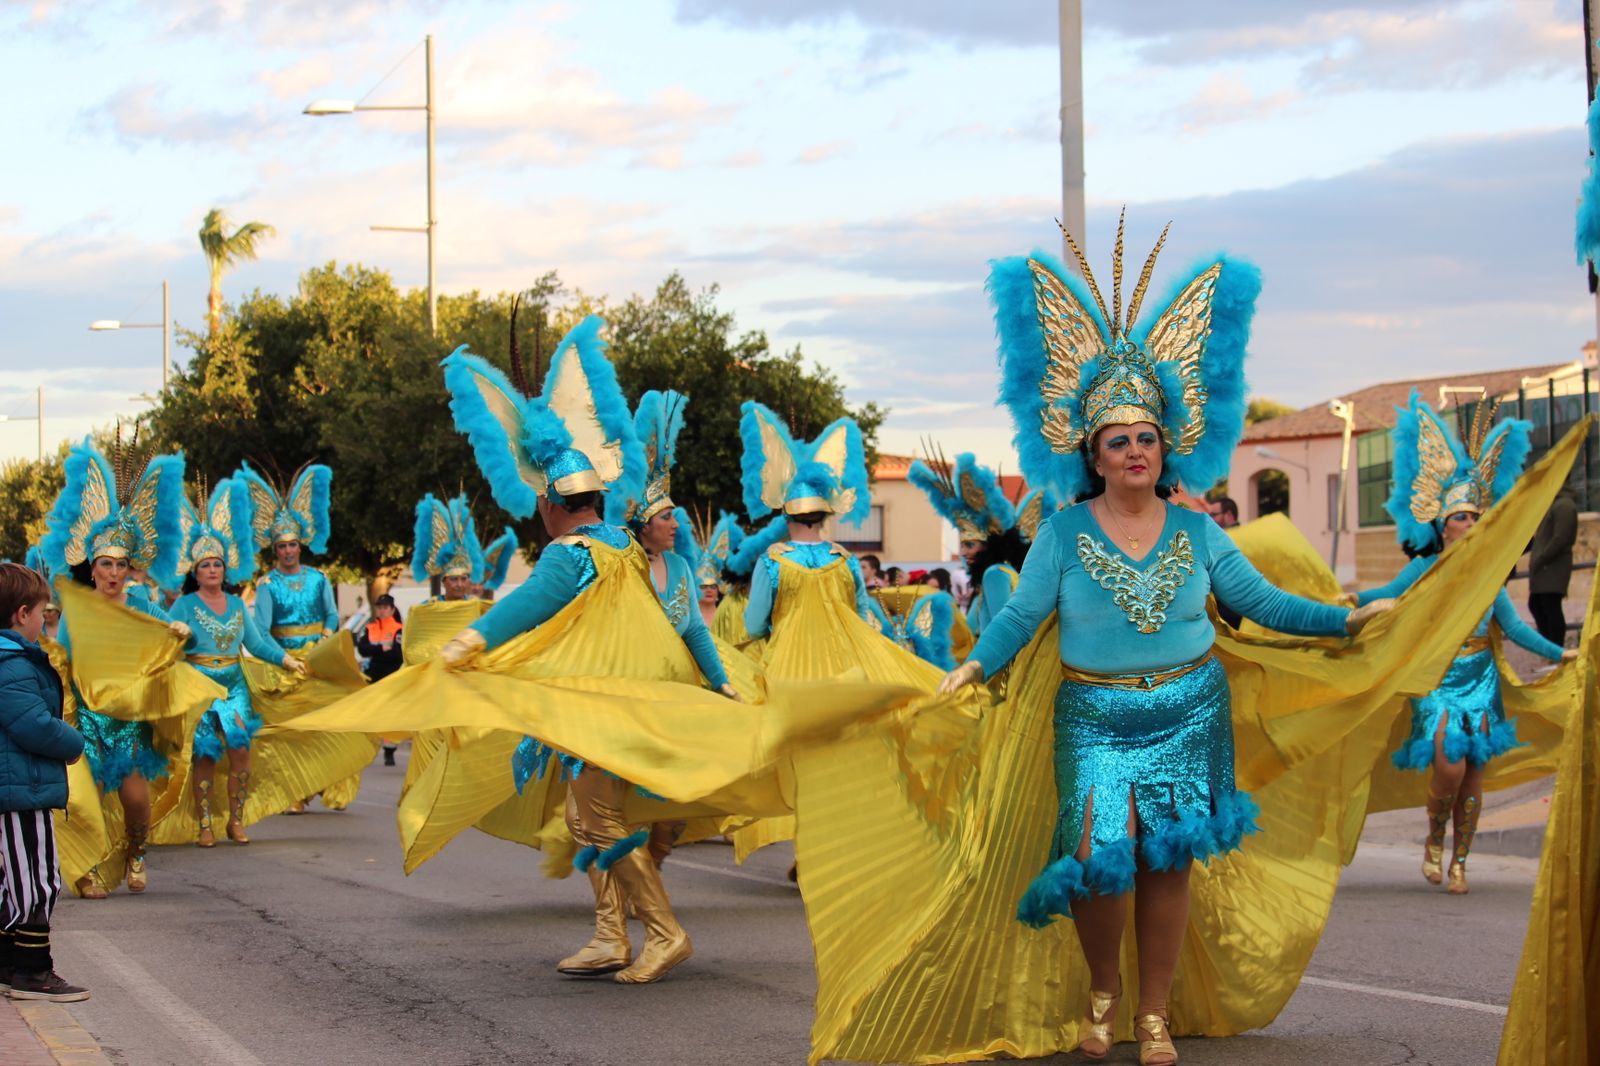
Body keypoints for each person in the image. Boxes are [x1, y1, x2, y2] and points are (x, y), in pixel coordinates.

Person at [938, 223, 1389, 1064]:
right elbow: (1020, 617)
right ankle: (1102, 989)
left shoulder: (1198, 531)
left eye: (1147, 437)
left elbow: (1258, 601)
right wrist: (972, 663)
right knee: (1096, 860)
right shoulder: (1063, 534)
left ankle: (1151, 1013)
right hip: (1094, 718)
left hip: (1189, 710)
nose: (1136, 450)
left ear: (1164, 446)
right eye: (1119, 440)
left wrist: (1343, 619)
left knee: (1167, 862)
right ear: (1094, 455)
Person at [1357, 395, 1575, 895]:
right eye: (1461, 517)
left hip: (1481, 679)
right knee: (1449, 768)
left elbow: (1515, 629)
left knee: (1474, 774)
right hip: (1436, 679)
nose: (1470, 525)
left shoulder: (1490, 579)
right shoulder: (1424, 570)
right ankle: (1435, 839)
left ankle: (1460, 862)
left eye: (1476, 517)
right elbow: (1386, 595)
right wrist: (1345, 603)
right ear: (1442, 524)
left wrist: (1558, 652)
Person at [42, 436, 192, 898]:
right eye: (104, 564)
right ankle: (85, 869)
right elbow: (64, 658)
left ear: (130, 568)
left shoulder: (143, 603)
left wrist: (180, 632)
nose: (112, 572)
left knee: (134, 797)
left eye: (120, 565)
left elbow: (171, 633)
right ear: (93, 567)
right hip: (87, 716)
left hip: (128, 721)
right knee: (80, 801)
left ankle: (136, 851)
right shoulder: (79, 609)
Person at [164, 477, 304, 846]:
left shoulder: (239, 605)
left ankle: (236, 822)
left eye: (217, 564)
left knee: (241, 753)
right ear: (195, 571)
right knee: (205, 756)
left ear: (225, 569)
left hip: (234, 685)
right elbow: (167, 643)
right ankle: (205, 825)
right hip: (199, 685)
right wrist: (174, 638)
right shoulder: (184, 605)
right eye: (205, 565)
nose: (212, 570)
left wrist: (286, 660)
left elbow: (257, 643)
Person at [0, 561, 89, 1002]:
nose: (44, 619)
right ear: (22, 614)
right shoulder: (11, 663)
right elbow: (33, 723)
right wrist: (74, 742)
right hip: (22, 791)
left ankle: (7, 964)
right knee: (37, 880)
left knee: (10, 880)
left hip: (15, 788)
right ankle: (33, 971)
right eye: (41, 611)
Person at [236, 462, 344, 813]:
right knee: (289, 732)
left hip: (318, 660)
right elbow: (261, 629)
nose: (287, 551)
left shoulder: (318, 578)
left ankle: (326, 780)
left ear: (301, 545)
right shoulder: (267, 584)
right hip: (284, 665)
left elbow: (331, 614)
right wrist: (283, 659)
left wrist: (324, 640)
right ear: (275, 549)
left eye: (292, 544)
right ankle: (293, 792)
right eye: (281, 546)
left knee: (325, 725)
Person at [908, 448, 1027, 636]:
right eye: (962, 545)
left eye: (970, 545)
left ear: (988, 546)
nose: (963, 552)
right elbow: (971, 627)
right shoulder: (1001, 571)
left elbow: (1002, 629)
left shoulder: (994, 574)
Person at [1527, 482, 1578, 648]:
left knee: (1550, 607)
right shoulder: (1553, 503)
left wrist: (1542, 557)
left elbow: (1561, 538)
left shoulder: (1564, 505)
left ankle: (1555, 650)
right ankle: (1549, 648)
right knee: (1537, 605)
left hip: (1552, 566)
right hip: (1545, 566)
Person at [357, 594, 403, 765]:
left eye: (385, 607)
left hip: (391, 675)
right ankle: (370, 745)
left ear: (392, 609)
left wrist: (376, 649)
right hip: (373, 674)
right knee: (372, 712)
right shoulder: (370, 628)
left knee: (390, 713)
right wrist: (381, 648)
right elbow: (362, 649)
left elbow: (396, 653)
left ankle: (389, 750)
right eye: (379, 607)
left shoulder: (399, 629)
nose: (382, 610)